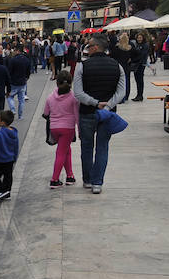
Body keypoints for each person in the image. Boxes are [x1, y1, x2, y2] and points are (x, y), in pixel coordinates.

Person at [73, 33, 125, 194]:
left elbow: (78, 93)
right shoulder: (117, 66)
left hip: (88, 112)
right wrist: (108, 106)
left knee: (87, 147)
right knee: (102, 147)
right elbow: (121, 92)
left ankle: (88, 180)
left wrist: (95, 103)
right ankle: (98, 183)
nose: (87, 49)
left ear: (95, 47)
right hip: (108, 115)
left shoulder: (82, 66)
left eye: (88, 46)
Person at [43, 71, 78, 189]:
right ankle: (54, 179)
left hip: (54, 128)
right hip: (68, 128)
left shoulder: (50, 97)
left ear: (57, 83)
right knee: (61, 152)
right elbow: (77, 115)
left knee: (66, 151)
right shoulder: (74, 98)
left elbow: (46, 113)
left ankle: (70, 176)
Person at [6, 48, 31, 120]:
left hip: (13, 82)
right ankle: (20, 116)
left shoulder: (13, 60)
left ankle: (13, 109)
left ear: (17, 51)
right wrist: (26, 78)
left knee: (10, 97)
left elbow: (9, 71)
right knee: (21, 100)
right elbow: (28, 71)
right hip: (22, 82)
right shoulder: (26, 60)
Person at [111, 32, 133, 103]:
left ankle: (120, 96)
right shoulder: (130, 47)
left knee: (119, 82)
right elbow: (137, 54)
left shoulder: (117, 47)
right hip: (127, 66)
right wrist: (131, 59)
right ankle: (126, 95)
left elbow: (112, 56)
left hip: (118, 66)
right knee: (127, 81)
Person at [130, 31, 150, 101]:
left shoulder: (145, 45)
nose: (139, 39)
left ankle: (140, 95)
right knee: (137, 80)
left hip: (141, 64)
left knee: (140, 80)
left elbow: (142, 55)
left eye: (140, 38)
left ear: (143, 38)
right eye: (138, 38)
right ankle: (138, 95)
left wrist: (133, 59)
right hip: (136, 64)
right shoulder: (137, 45)